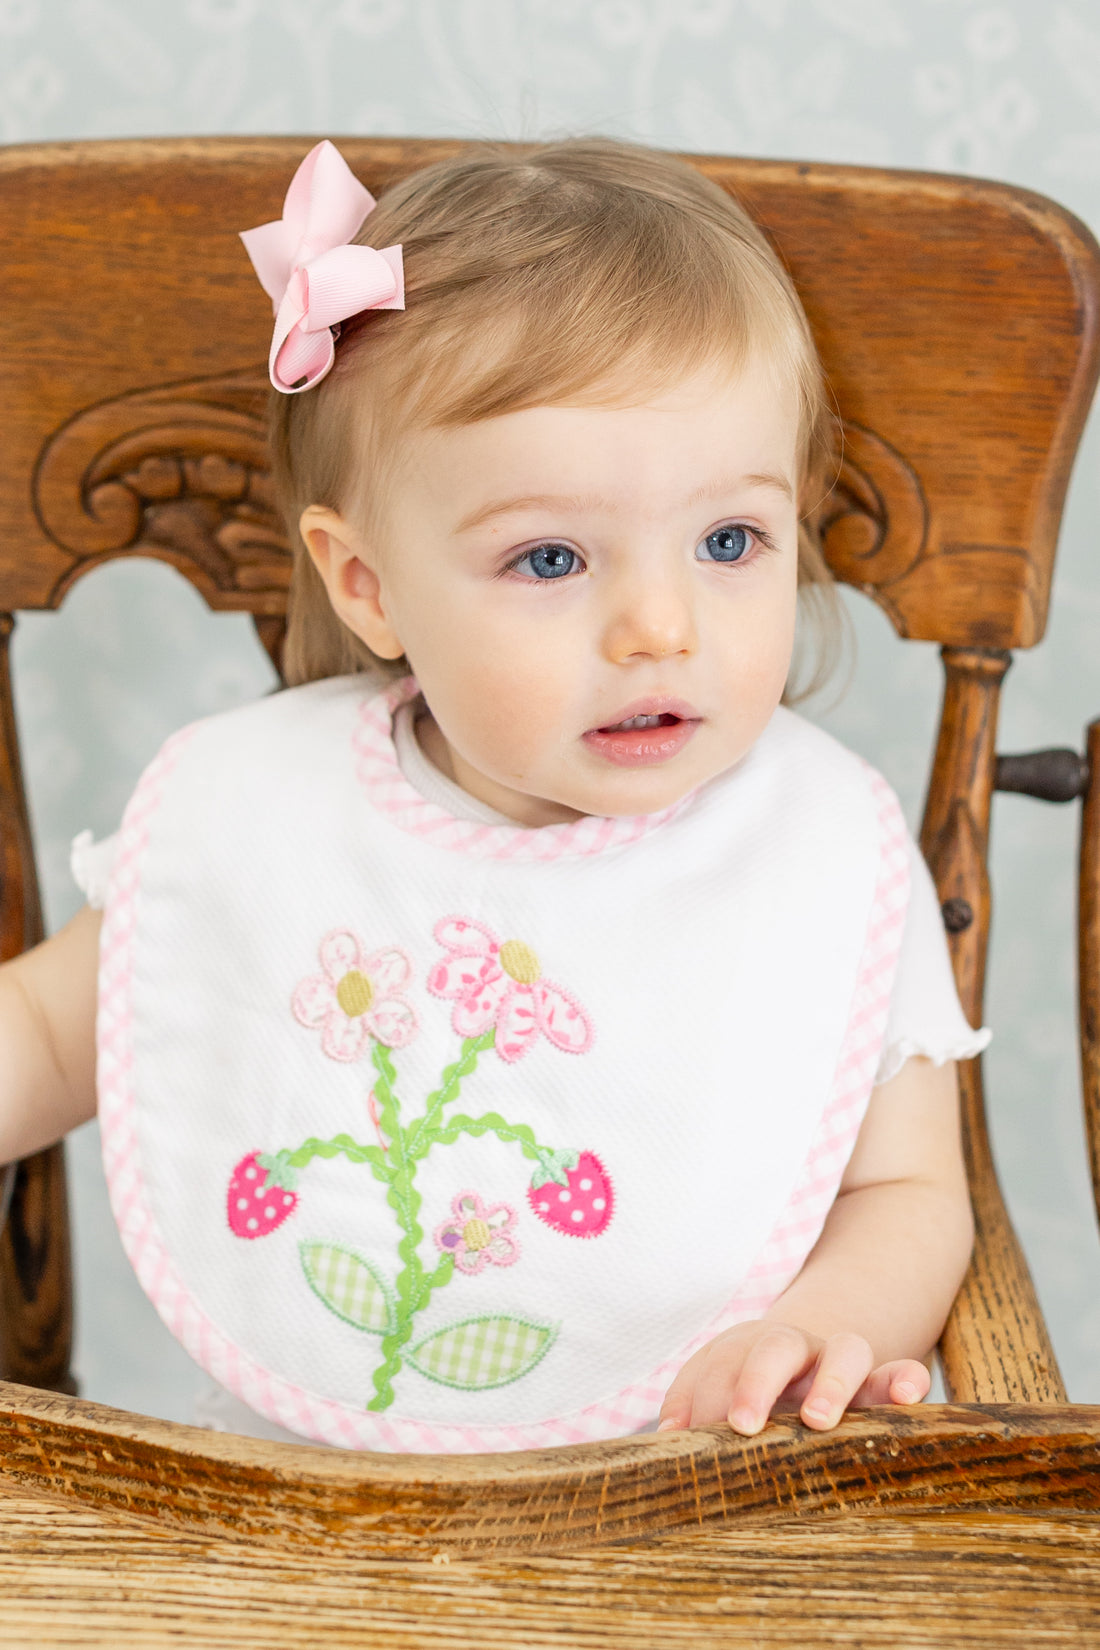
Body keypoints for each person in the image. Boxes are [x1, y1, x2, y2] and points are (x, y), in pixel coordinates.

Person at [0, 138, 984, 1454]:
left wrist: (818, 1322)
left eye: (730, 539)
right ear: (368, 585)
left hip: (683, 1505)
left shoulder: (820, 855)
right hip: (279, 1526)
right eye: (553, 555)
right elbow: (50, 1037)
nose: (658, 624)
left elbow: (911, 1187)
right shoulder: (262, 813)